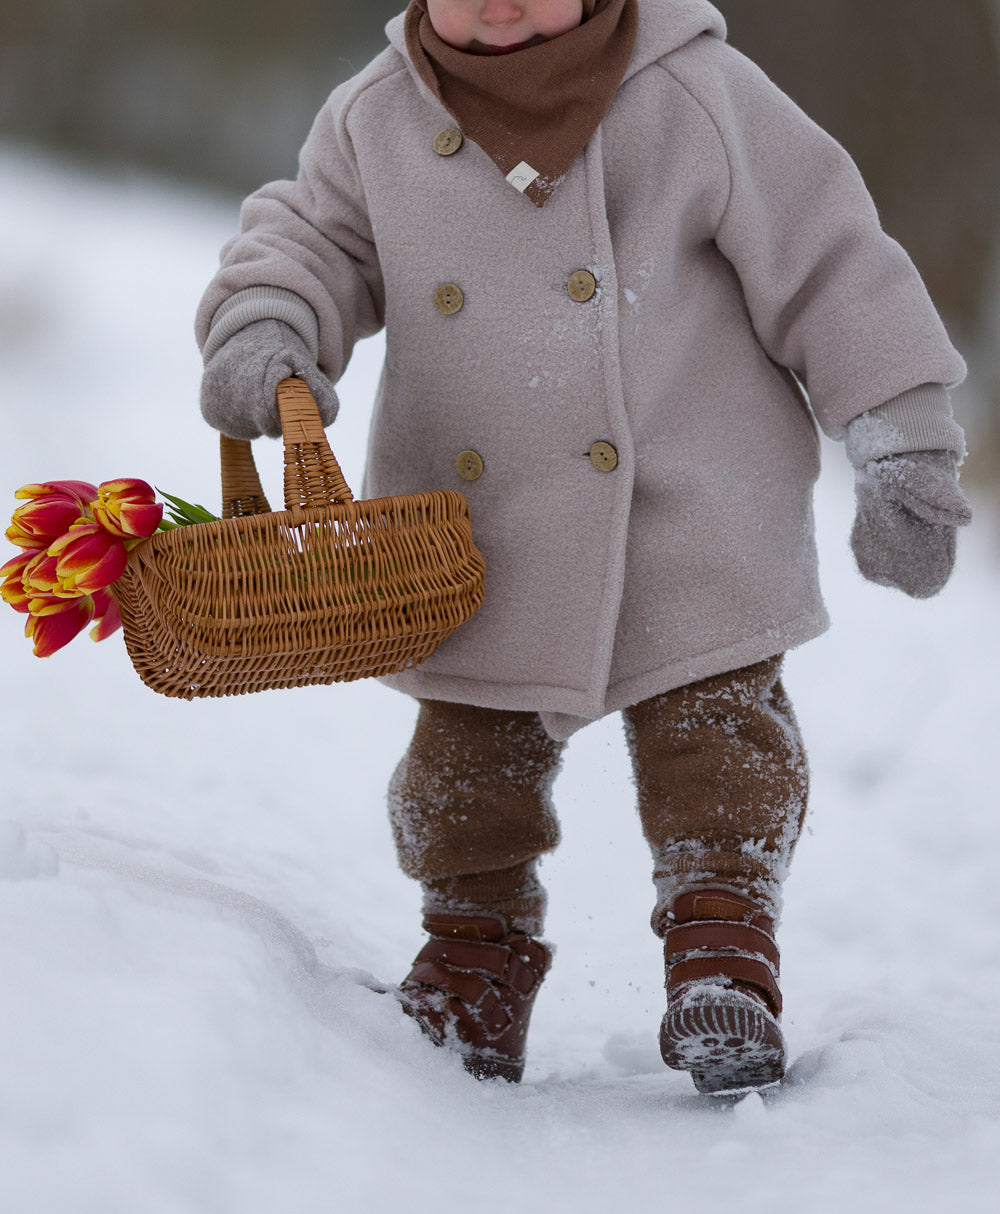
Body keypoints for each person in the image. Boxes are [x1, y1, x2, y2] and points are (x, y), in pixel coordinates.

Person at [196, 0, 970, 1091]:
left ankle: (721, 948)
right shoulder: (376, 118)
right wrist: (269, 319)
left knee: (720, 742)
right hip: (475, 517)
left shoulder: (688, 92)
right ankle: (473, 954)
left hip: (689, 494)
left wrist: (901, 440)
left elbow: (831, 258)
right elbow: (309, 239)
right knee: (465, 769)